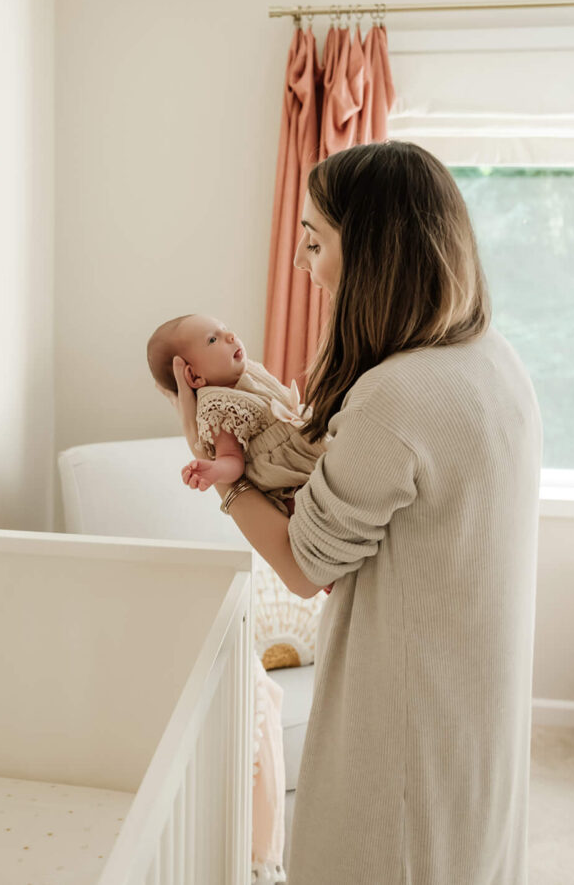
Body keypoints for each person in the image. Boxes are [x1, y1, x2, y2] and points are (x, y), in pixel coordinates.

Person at [164, 140, 542, 884]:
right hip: (475, 707)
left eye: (316, 241)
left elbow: (304, 566)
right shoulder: (495, 361)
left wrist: (223, 472)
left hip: (405, 716)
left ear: (371, 252)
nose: (305, 264)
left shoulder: (397, 396)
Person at [145, 313, 326, 513]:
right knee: (309, 506)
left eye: (225, 328)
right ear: (194, 376)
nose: (230, 336)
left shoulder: (248, 372)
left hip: (310, 452)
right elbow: (231, 459)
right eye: (213, 340)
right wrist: (215, 470)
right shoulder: (216, 407)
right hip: (287, 479)